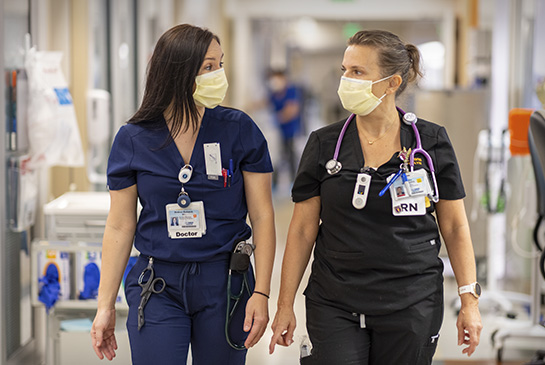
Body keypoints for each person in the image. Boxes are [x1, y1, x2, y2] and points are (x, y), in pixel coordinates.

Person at [269, 29, 482, 365]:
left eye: (358, 72)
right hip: (335, 300)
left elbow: (454, 227)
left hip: (411, 301)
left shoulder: (430, 142)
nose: (346, 80)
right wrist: (284, 305)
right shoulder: (324, 144)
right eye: (344, 70)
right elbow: (301, 230)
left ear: (392, 83)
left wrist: (469, 300)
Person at [91, 24, 276, 365]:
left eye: (220, 64)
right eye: (208, 66)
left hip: (225, 282)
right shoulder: (133, 138)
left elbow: (263, 215)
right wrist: (104, 306)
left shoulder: (239, 130)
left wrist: (262, 292)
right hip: (158, 282)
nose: (218, 74)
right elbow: (119, 226)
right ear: (178, 70)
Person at [267, 69, 303, 185]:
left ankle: (294, 180)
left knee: (289, 154)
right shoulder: (274, 93)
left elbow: (292, 110)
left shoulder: (291, 91)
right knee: (277, 156)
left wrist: (277, 119)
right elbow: (266, 102)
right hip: (278, 131)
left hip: (289, 130)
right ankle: (275, 182)